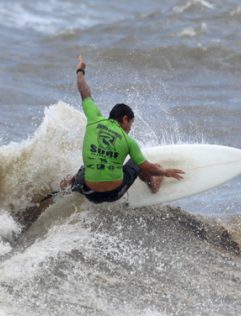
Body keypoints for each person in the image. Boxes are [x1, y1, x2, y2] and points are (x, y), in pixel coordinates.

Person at [61, 55, 184, 204]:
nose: (130, 129)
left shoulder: (94, 119)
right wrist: (165, 172)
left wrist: (80, 69)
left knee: (82, 171)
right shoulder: (129, 141)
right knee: (136, 163)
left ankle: (64, 188)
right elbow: (149, 167)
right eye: (131, 123)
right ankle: (154, 185)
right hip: (114, 193)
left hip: (90, 193)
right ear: (125, 119)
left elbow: (84, 91)